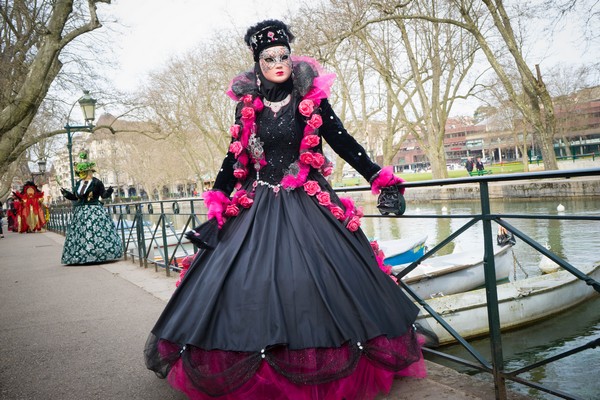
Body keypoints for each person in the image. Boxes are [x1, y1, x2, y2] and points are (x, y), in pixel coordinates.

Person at [144, 20, 426, 400]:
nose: (278, 62)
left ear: (292, 59)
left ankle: (322, 363)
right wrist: (216, 202)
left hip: (307, 200)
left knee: (313, 281)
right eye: (269, 57)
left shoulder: (311, 100)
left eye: (284, 56)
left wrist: (381, 179)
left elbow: (344, 143)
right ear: (257, 63)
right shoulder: (248, 106)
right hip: (255, 202)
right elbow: (234, 158)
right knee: (245, 282)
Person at [59, 151, 123, 265]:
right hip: (80, 213)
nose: (81, 174)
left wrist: (109, 191)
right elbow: (76, 197)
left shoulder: (97, 182)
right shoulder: (79, 183)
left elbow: (103, 195)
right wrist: (66, 194)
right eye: (80, 172)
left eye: (83, 172)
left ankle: (99, 254)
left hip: (94, 211)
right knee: (81, 234)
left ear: (89, 171)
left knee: (96, 233)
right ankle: (81, 255)